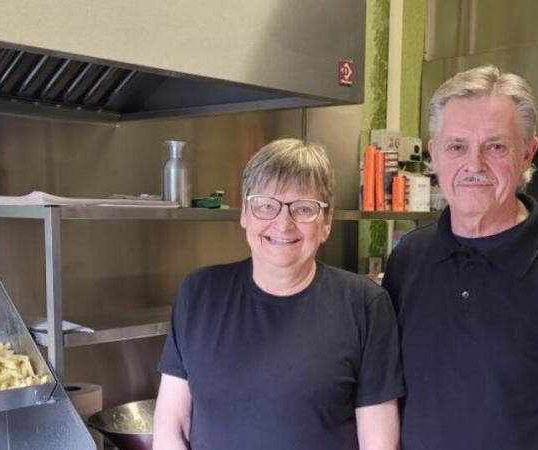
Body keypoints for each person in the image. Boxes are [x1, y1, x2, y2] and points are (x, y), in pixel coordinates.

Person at [383, 65, 538, 449]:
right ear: (434, 154)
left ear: (527, 154)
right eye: (457, 146)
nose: (474, 165)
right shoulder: (407, 259)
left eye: (496, 146)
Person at [154, 138, 404, 450]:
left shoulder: (365, 305)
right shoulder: (200, 294)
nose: (283, 224)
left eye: (303, 209)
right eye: (265, 205)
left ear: (326, 223)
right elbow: (171, 428)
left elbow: (378, 443)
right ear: (245, 213)